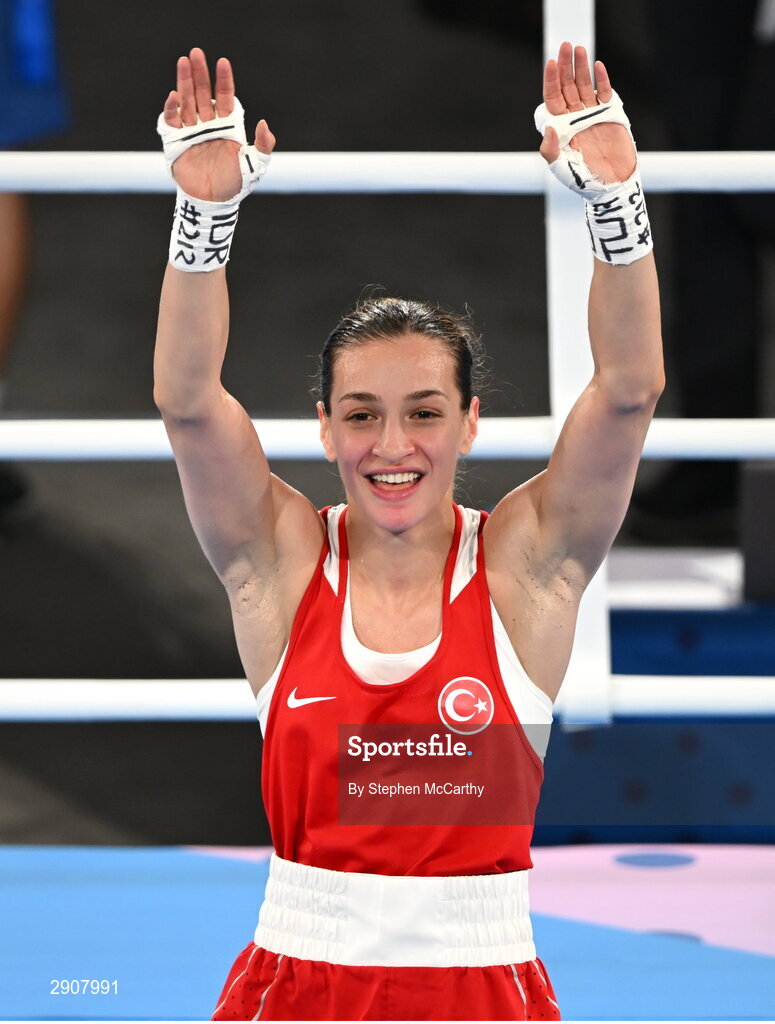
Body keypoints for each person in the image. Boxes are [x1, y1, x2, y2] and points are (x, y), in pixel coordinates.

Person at [154, 42, 663, 1022]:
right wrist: (204, 215)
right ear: (323, 425)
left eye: (425, 411)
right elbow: (185, 404)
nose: (393, 445)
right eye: (361, 414)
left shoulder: (527, 562)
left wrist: (616, 203)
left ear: (470, 422)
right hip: (296, 979)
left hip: (481, 981)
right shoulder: (281, 558)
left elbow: (630, 390)